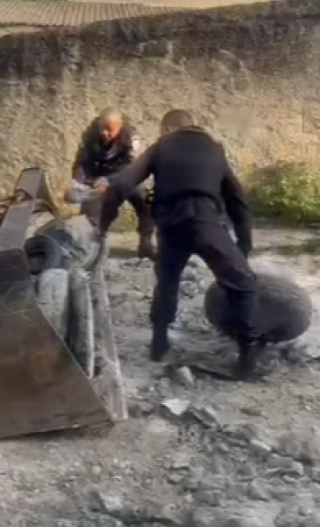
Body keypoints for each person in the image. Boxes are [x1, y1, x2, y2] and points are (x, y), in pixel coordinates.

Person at [93, 109, 262, 379]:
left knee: (168, 282)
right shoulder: (214, 149)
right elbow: (237, 200)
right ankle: (248, 359)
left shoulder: (161, 147)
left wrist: (103, 226)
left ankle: (159, 345)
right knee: (243, 284)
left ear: (167, 130)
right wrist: (243, 247)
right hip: (208, 225)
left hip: (172, 228)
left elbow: (121, 184)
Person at [70, 109, 156, 260]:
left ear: (119, 126)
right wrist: (80, 184)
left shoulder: (130, 136)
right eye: (102, 128)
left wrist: (109, 181)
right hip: (97, 178)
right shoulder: (89, 136)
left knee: (147, 199)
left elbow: (133, 168)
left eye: (109, 129)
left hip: (125, 178)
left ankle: (146, 242)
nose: (104, 133)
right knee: (89, 217)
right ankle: (91, 247)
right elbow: (80, 165)